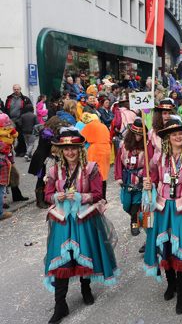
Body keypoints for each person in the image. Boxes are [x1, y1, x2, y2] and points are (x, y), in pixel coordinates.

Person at [43, 127, 118, 324]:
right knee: (61, 260)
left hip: (84, 218)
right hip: (62, 221)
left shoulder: (91, 168)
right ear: (61, 151)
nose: (70, 152)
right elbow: (46, 195)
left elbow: (98, 194)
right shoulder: (53, 170)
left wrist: (79, 197)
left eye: (74, 148)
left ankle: (86, 288)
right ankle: (60, 305)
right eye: (66, 149)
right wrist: (56, 196)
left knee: (84, 255)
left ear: (80, 148)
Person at [142, 117, 182, 315]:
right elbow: (152, 178)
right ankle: (171, 284)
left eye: (180, 133)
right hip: (161, 210)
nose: (177, 136)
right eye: (173, 134)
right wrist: (148, 184)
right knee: (166, 248)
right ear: (167, 138)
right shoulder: (157, 158)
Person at [115, 118, 146, 236]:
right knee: (126, 204)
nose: (138, 137)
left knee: (137, 202)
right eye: (136, 134)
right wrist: (118, 176)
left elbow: (150, 164)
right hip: (127, 177)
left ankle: (134, 223)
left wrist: (145, 176)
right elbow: (118, 161)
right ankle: (136, 219)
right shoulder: (123, 145)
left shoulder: (146, 146)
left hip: (140, 178)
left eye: (140, 134)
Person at [80, 113, 111, 200]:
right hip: (106, 149)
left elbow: (81, 139)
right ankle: (104, 197)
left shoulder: (90, 125)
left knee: (95, 173)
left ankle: (98, 196)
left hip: (96, 150)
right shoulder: (103, 126)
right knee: (104, 174)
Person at [4, 84, 33, 156]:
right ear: (13, 90)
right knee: (11, 136)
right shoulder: (9, 99)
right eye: (15, 89)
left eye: (17, 89)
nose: (16, 90)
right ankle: (14, 151)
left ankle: (22, 151)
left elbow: (30, 109)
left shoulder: (25, 99)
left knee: (20, 136)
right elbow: (6, 109)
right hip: (11, 120)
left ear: (20, 89)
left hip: (20, 120)